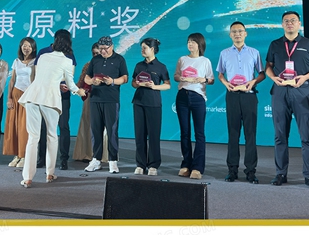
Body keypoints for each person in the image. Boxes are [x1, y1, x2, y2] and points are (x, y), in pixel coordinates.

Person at [265, 11, 309, 191]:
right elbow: (268, 66)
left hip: (302, 92)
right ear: (282, 24)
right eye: (286, 21)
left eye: (293, 20)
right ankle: (280, 173)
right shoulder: (275, 44)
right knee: (280, 135)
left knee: (307, 136)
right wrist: (273, 78)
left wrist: (305, 77)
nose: (289, 23)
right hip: (280, 92)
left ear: (299, 23)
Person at [18, 32, 85, 187]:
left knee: (33, 137)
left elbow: (39, 76)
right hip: (50, 99)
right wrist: (79, 91)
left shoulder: (42, 56)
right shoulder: (67, 61)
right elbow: (70, 84)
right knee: (52, 135)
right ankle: (49, 174)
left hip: (33, 96)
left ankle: (27, 178)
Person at [216, 22, 265, 184]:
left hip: (249, 96)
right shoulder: (224, 53)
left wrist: (253, 82)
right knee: (233, 134)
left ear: (245, 33)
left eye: (240, 31)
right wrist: (225, 83)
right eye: (234, 31)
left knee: (250, 134)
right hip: (232, 96)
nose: (237, 34)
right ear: (230, 34)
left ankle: (251, 171)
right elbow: (220, 74)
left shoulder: (254, 52)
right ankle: (232, 170)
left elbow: (262, 74)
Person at [84, 36, 129, 174]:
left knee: (112, 130)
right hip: (95, 99)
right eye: (101, 48)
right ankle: (96, 159)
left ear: (112, 46)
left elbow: (125, 78)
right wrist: (92, 81)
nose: (103, 51)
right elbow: (86, 77)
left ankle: (113, 160)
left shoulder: (119, 59)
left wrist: (113, 81)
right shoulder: (95, 60)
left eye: (105, 48)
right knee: (95, 130)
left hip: (111, 99)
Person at [33, 29, 77, 170]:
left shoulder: (69, 55)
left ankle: (63, 159)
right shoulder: (43, 53)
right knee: (44, 127)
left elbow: (69, 76)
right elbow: (38, 74)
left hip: (63, 96)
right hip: (46, 95)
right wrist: (56, 84)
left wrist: (63, 85)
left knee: (63, 126)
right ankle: (42, 158)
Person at [173, 33, 214, 180]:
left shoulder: (205, 61)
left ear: (200, 44)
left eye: (193, 42)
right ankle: (186, 164)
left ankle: (197, 167)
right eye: (189, 41)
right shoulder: (182, 59)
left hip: (198, 97)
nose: (190, 44)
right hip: (182, 96)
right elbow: (176, 76)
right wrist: (181, 78)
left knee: (199, 133)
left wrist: (203, 79)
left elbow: (211, 79)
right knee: (184, 132)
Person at [131, 38, 171, 176]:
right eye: (141, 48)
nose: (142, 50)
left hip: (154, 103)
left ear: (152, 49)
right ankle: (140, 164)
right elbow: (133, 83)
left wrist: (154, 86)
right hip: (138, 102)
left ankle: (153, 165)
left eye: (145, 48)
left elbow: (167, 85)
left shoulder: (161, 67)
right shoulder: (138, 66)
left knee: (153, 135)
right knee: (139, 135)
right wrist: (138, 84)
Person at [72, 43, 109, 163]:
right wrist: (73, 88)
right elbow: (80, 83)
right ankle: (87, 154)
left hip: (104, 98)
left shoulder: (109, 65)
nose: (95, 55)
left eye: (97, 53)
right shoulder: (88, 65)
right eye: (93, 53)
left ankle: (101, 155)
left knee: (103, 126)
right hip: (89, 98)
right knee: (88, 125)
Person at [3, 37, 37, 168]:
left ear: (33, 48)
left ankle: (24, 155)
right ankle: (16, 154)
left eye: (29, 46)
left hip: (28, 96)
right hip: (16, 94)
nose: (26, 48)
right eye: (24, 46)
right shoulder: (16, 61)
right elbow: (12, 80)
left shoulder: (36, 61)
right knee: (14, 126)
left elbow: (35, 80)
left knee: (24, 127)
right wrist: (9, 98)